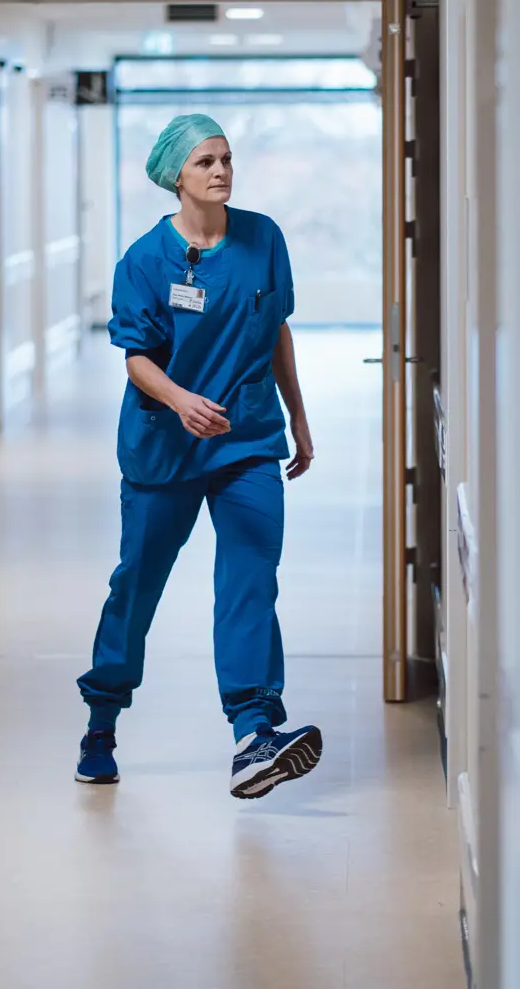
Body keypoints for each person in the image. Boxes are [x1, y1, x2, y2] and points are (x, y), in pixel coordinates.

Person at [75, 114, 322, 800]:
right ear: (176, 176)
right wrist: (183, 401)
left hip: (247, 439)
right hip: (164, 447)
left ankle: (252, 733)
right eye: (205, 162)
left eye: (226, 158)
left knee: (250, 578)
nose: (220, 171)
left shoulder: (263, 237)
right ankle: (101, 719)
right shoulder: (145, 261)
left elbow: (276, 331)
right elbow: (136, 361)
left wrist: (298, 415)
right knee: (137, 586)